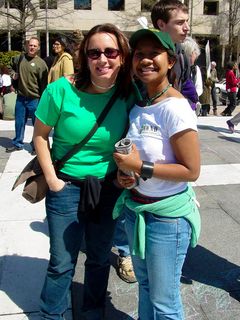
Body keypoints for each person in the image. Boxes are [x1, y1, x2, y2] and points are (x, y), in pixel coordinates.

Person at [33, 23, 136, 320]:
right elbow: (40, 136)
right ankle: (51, 315)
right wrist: (52, 180)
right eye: (94, 52)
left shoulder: (127, 95)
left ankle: (92, 311)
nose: (102, 59)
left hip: (108, 187)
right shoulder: (60, 90)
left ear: (122, 57)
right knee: (62, 263)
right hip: (66, 187)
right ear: (84, 57)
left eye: (110, 51)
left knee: (100, 258)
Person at [113, 28, 201, 320]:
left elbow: (191, 170)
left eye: (154, 54)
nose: (146, 60)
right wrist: (127, 177)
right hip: (137, 209)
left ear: (171, 61)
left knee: (165, 302)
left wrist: (141, 168)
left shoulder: (175, 108)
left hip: (168, 219)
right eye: (140, 55)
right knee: (146, 288)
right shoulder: (140, 105)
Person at [5, 37, 48, 154]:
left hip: (35, 99)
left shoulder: (41, 64)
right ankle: (17, 143)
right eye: (30, 45)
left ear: (38, 48)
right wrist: (13, 74)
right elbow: (10, 66)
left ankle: (36, 146)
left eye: (34, 46)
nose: (32, 47)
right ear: (27, 46)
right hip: (21, 97)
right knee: (19, 122)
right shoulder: (19, 58)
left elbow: (44, 85)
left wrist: (43, 100)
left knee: (37, 125)